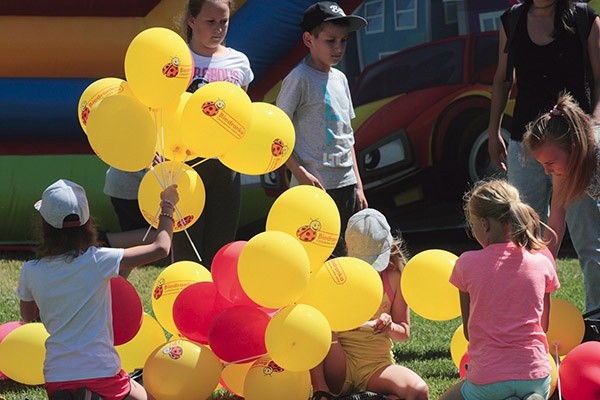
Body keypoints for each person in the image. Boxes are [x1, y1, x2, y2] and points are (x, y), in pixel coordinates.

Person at [17, 179, 179, 400]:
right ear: (88, 224)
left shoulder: (31, 270)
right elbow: (160, 248)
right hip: (101, 371)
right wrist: (167, 206)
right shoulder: (98, 260)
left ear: (44, 227)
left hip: (56, 376)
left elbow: (27, 315)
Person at [487, 0, 600, 315]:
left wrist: (595, 122)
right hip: (527, 143)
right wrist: (493, 129)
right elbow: (502, 79)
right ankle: (526, 314)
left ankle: (596, 315)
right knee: (524, 231)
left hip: (576, 144)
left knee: (588, 235)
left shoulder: (583, 18)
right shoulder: (511, 20)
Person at [439, 179, 560, 400]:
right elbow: (544, 325)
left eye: (472, 224)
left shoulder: (466, 263)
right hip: (536, 375)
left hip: (488, 379)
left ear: (484, 224)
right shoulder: (542, 263)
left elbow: (468, 331)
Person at [276, 1, 369, 257]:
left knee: (343, 254)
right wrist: (300, 172)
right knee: (312, 254)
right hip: (312, 188)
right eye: (330, 41)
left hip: (346, 185)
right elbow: (278, 135)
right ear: (309, 39)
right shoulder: (299, 79)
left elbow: (347, 136)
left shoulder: (340, 79)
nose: (338, 48)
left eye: (343, 40)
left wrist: (358, 185)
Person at [310, 208, 429, 400]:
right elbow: (310, 333)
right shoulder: (333, 275)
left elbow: (403, 333)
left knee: (418, 391)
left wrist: (389, 326)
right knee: (321, 329)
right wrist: (319, 389)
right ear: (348, 248)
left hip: (376, 364)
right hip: (337, 358)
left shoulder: (395, 277)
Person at [171, 0, 254, 268]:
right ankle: (184, 304)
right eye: (211, 22)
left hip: (226, 166)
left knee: (221, 250)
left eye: (224, 21)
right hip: (184, 166)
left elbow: (243, 115)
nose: (219, 29)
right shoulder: (174, 57)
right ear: (192, 21)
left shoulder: (239, 62)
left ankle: (216, 308)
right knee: (187, 251)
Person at [523, 92, 600, 338]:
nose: (547, 171)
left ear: (575, 148)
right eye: (542, 164)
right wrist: (542, 267)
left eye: (551, 163)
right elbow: (556, 221)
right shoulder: (563, 170)